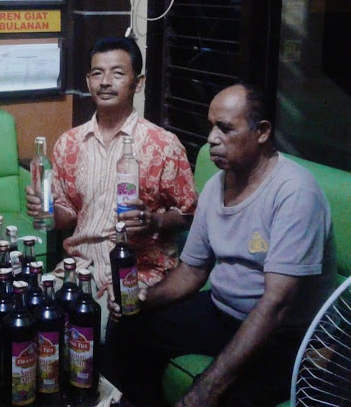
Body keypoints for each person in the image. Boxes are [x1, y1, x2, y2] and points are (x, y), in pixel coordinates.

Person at [108, 83, 337, 406]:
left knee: (222, 394)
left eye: (225, 129)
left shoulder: (295, 193)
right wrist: (139, 302)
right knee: (129, 326)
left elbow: (276, 305)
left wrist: (206, 390)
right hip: (222, 312)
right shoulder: (216, 186)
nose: (212, 139)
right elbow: (192, 271)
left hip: (283, 335)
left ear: (262, 132)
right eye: (211, 127)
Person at [26, 37, 198, 336]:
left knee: (91, 330)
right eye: (97, 73)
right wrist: (47, 211)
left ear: (138, 83)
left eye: (117, 73)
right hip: (80, 268)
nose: (105, 82)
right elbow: (68, 216)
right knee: (30, 316)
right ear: (88, 81)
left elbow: (190, 215)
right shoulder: (69, 143)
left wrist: (155, 221)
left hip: (138, 271)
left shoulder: (163, 145)